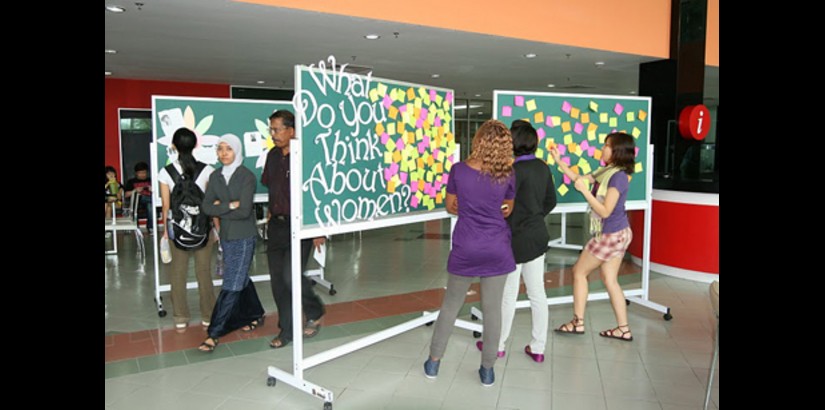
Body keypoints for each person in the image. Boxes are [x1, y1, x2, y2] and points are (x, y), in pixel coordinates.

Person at [424, 119, 516, 387]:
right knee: (492, 312)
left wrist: (468, 208)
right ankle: (487, 370)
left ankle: (433, 363)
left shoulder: (459, 170)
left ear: (478, 141)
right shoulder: (508, 173)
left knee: (451, 305)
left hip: (466, 246)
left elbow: (451, 206)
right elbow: (507, 207)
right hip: (497, 248)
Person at [476, 120, 556, 363]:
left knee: (508, 295)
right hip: (537, 237)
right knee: (537, 294)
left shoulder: (510, 171)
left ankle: (498, 345)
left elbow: (499, 207)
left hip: (512, 240)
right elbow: (550, 201)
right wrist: (533, 217)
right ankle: (538, 347)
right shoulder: (543, 167)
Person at [549, 132, 636, 341]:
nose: (602, 149)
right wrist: (559, 161)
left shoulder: (618, 177)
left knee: (578, 271)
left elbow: (605, 211)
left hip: (610, 234)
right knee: (610, 279)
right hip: (618, 232)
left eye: (607, 146)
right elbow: (580, 179)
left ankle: (577, 323)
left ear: (617, 151)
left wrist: (585, 192)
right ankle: (623, 329)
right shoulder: (607, 171)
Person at [262, 109, 326, 349]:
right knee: (278, 281)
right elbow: (272, 188)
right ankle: (287, 330)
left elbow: (316, 193)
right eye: (271, 129)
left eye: (277, 129)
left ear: (292, 130)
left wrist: (318, 228)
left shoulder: (305, 157)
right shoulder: (272, 156)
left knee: (290, 276)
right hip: (277, 226)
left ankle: (314, 309)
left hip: (301, 225)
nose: (273, 134)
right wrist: (270, 214)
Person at [198, 134, 265, 352]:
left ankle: (215, 332)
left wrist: (222, 206)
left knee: (232, 283)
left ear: (236, 151)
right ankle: (256, 313)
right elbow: (206, 207)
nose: (223, 153)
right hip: (226, 235)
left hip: (244, 236)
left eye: (228, 149)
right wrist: (231, 205)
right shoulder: (216, 176)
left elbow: (245, 210)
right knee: (240, 276)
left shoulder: (246, 176)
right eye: (220, 149)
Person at [158, 128, 217, 330]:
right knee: (203, 272)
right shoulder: (207, 170)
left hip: (177, 229)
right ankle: (208, 316)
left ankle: (180, 318)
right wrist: (215, 228)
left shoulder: (165, 172)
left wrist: (165, 232)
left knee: (177, 273)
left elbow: (166, 207)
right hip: (203, 228)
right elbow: (210, 204)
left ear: (173, 146)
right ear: (195, 145)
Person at [123, 162, 154, 234]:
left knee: (150, 206)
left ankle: (151, 227)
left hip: (148, 201)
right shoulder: (131, 182)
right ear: (136, 173)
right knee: (144, 197)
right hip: (136, 201)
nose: (143, 175)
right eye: (141, 173)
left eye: (144, 172)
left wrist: (153, 189)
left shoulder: (151, 180)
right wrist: (135, 190)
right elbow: (126, 195)